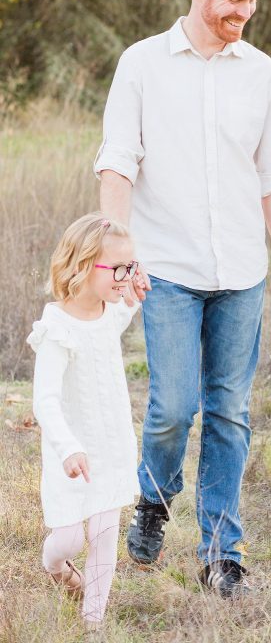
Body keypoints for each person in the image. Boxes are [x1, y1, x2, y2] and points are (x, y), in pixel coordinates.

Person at [94, 0, 271, 598]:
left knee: (229, 412)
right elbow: (117, 164)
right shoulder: (141, 65)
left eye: (252, 0)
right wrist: (118, 252)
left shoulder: (261, 73)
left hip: (242, 273)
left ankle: (223, 554)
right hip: (163, 269)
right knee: (173, 408)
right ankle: (155, 499)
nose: (244, 11)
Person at [28, 212, 140, 631]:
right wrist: (68, 446)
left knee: (106, 533)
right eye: (118, 269)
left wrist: (133, 292)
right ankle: (54, 564)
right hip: (71, 455)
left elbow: (126, 308)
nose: (125, 277)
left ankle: (93, 622)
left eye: (131, 267)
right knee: (71, 539)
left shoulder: (112, 312)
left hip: (111, 445)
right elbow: (45, 399)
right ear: (81, 265)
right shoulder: (57, 327)